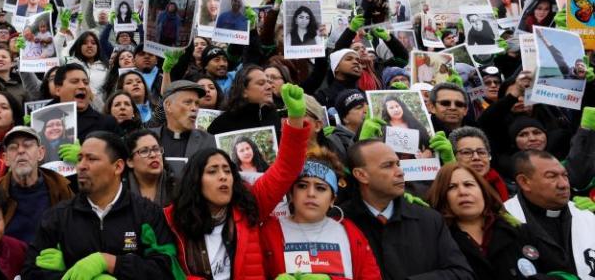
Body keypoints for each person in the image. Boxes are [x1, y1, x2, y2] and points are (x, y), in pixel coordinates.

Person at [165, 85, 311, 280]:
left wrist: (295, 118)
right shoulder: (172, 218)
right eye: (212, 171)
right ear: (195, 181)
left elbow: (287, 168)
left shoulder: (250, 204)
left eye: (227, 170)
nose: (223, 176)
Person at [23, 132, 179, 279]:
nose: (81, 166)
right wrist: (70, 274)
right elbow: (29, 272)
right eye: (79, 159)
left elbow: (168, 269)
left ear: (118, 167)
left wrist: (111, 263)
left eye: (91, 159)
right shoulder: (57, 217)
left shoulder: (147, 213)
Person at [342, 140, 475, 280]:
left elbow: (462, 274)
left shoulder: (429, 219)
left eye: (398, 164)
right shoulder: (338, 222)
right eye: (388, 166)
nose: (400, 172)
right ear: (361, 175)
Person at [427, 162, 566, 279]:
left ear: (483, 191)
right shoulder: (435, 241)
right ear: (442, 197)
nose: (463, 192)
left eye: (469, 184)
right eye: (452, 187)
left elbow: (565, 274)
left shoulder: (521, 231)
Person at [265, 149, 382, 279]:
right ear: (291, 194)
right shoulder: (269, 232)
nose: (311, 193)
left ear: (332, 199)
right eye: (302, 186)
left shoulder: (351, 233)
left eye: (320, 188)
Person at [503, 150, 595, 278]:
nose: (563, 184)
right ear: (524, 182)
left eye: (565, 175)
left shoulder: (586, 217)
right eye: (551, 176)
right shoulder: (505, 220)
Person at [0, 126, 74, 245]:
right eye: (13, 147)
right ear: (6, 159)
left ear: (40, 153)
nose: (20, 151)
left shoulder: (60, 188)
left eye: (27, 145)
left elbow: (77, 231)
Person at [150, 80, 216, 177]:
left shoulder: (209, 141)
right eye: (188, 102)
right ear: (168, 106)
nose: (194, 108)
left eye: (197, 103)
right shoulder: (147, 139)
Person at [448, 126, 510, 201]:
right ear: (453, 156)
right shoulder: (445, 189)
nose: (476, 157)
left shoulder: (508, 188)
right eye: (467, 152)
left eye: (481, 152)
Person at [125, 129, 176, 207]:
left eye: (156, 149)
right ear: (130, 162)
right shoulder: (118, 191)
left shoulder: (178, 188)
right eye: (144, 151)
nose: (153, 155)